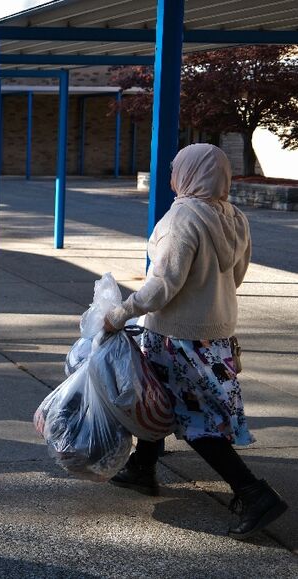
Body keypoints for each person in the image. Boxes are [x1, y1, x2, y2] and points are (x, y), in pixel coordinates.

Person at [104, 143, 288, 540]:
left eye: (177, 169)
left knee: (198, 420)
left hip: (177, 337)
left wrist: (120, 313)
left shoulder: (182, 217)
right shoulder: (234, 216)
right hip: (215, 334)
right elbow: (236, 275)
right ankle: (142, 466)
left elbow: (163, 284)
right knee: (162, 399)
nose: (173, 176)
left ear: (188, 173)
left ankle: (253, 493)